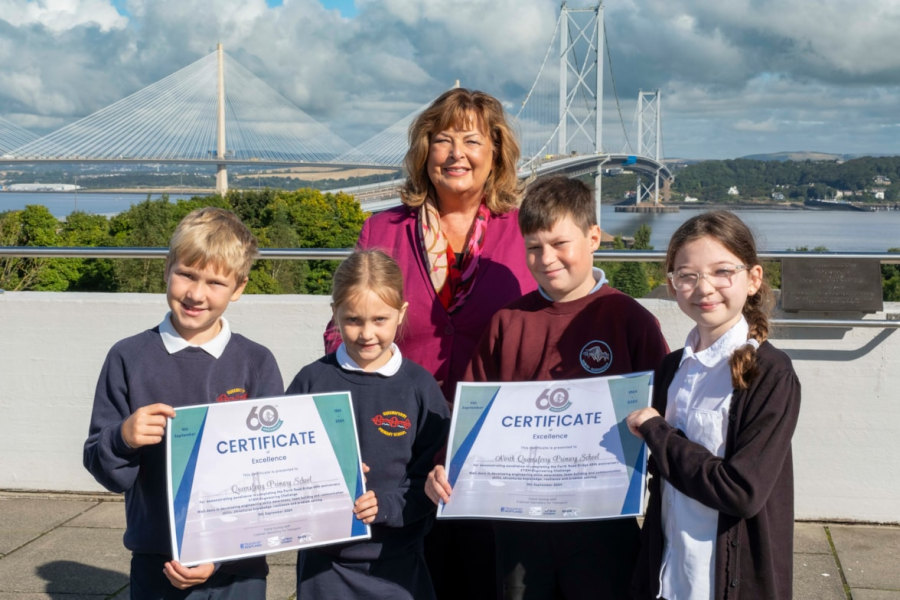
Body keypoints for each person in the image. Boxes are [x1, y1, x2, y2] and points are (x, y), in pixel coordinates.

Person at [325, 87, 537, 598]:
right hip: (399, 447)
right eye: (442, 140)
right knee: (408, 579)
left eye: (471, 140)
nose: (456, 153)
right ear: (424, 152)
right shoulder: (382, 228)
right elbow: (341, 328)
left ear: (496, 153)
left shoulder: (527, 231)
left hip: (494, 449)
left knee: (491, 580)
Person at [427, 175, 670, 599]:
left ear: (594, 237)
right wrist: (444, 464)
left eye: (560, 244)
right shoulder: (508, 322)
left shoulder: (629, 319)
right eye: (534, 247)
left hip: (603, 523)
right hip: (519, 527)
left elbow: (664, 414)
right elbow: (473, 410)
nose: (546, 259)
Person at [83, 207, 284, 600]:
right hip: (157, 559)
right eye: (187, 275)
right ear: (167, 269)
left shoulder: (257, 363)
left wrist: (222, 554)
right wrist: (123, 438)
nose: (196, 293)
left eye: (215, 282)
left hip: (239, 566)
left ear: (239, 288)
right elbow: (103, 468)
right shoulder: (128, 357)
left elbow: (272, 477)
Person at [626, 210, 801, 600]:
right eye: (687, 275)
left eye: (723, 271)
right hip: (670, 573)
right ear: (672, 286)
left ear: (753, 279)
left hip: (725, 581)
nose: (704, 288)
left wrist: (658, 432)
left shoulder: (770, 373)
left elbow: (742, 491)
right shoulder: (672, 367)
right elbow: (661, 476)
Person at [290, 249, 450, 600]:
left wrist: (387, 505)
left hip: (398, 563)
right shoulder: (311, 381)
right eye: (353, 320)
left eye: (380, 319)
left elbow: (432, 478)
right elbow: (284, 468)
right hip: (323, 565)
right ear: (334, 314)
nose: (366, 334)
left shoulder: (420, 387)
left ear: (401, 314)